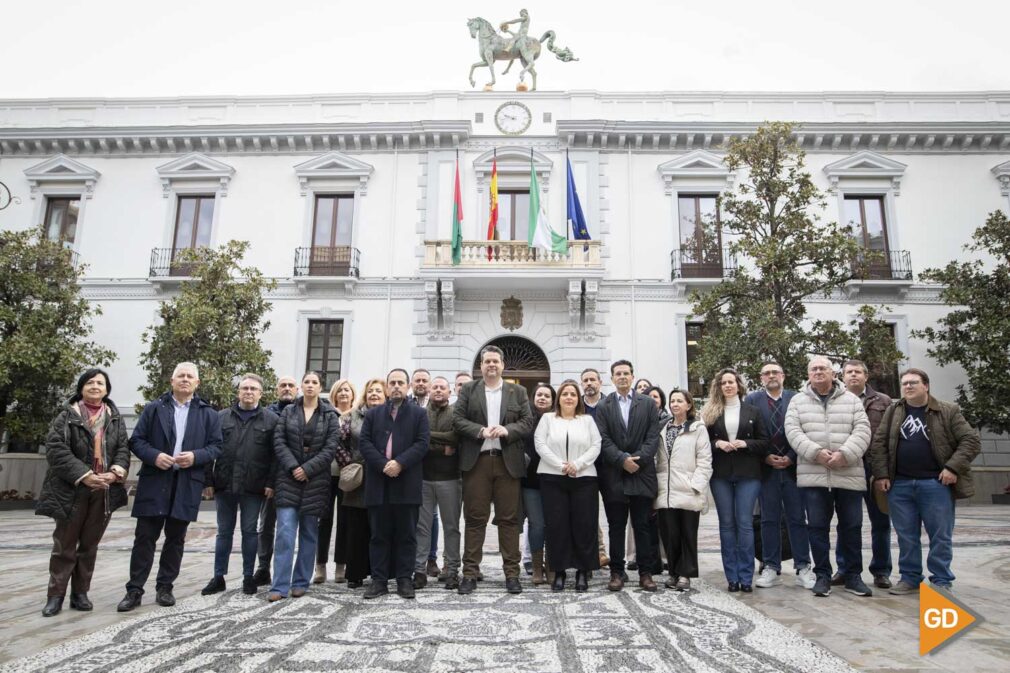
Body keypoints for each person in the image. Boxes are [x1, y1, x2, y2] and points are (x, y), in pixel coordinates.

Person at [117, 362, 222, 612]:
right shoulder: (155, 408)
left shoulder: (208, 413)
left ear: (197, 383)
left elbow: (217, 446)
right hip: (155, 480)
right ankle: (134, 590)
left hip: (186, 483)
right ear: (172, 381)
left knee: (176, 539)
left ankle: (165, 587)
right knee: (144, 538)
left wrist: (196, 456)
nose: (185, 380)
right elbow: (137, 441)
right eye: (180, 376)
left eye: (190, 376)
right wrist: (154, 456)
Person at [870, 368, 981, 594]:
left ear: (926, 386)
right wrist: (881, 474)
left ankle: (941, 580)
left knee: (940, 535)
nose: (908, 387)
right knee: (906, 536)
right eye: (905, 383)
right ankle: (910, 578)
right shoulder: (893, 411)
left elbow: (971, 440)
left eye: (913, 383)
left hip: (935, 485)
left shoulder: (948, 410)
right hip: (899, 485)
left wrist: (952, 467)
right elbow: (879, 444)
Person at [37, 369, 130, 617]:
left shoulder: (115, 418)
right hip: (72, 489)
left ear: (107, 389)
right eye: (90, 382)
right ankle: (55, 595)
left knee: (89, 544)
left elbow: (122, 448)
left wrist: (115, 472)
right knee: (64, 545)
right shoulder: (67, 416)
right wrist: (85, 475)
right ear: (81, 388)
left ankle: (80, 594)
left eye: (100, 383)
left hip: (103, 490)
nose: (95, 386)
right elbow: (56, 450)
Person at [785, 356, 872, 598]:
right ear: (808, 373)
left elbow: (863, 431)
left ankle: (853, 575)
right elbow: (792, 431)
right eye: (813, 368)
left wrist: (845, 454)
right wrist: (815, 453)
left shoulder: (852, 400)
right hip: (813, 476)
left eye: (823, 368)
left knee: (852, 526)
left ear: (833, 373)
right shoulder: (797, 401)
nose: (818, 372)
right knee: (817, 527)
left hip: (848, 473)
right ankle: (822, 575)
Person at [453, 345, 534, 595]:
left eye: (495, 362)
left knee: (509, 520)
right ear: (481, 366)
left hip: (506, 462)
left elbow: (527, 422)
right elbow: (457, 419)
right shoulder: (469, 390)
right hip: (477, 462)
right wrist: (480, 430)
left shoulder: (517, 391)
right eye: (487, 361)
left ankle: (512, 574)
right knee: (475, 519)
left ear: (502, 365)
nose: (491, 365)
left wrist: (507, 430)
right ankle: (469, 573)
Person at [202, 374, 279, 597]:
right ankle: (218, 576)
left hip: (253, 487)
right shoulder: (220, 418)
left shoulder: (271, 420)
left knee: (249, 531)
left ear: (261, 393)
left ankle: (248, 577)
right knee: (223, 532)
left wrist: (270, 483)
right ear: (238, 392)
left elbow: (275, 457)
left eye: (253, 389)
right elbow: (208, 450)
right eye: (244, 388)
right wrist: (207, 481)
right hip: (224, 484)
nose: (248, 392)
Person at [359, 369, 431, 599]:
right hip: (379, 483)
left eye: (401, 382)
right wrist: (383, 464)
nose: (397, 386)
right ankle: (379, 580)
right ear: (387, 387)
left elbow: (422, 444)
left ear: (408, 386)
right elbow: (365, 443)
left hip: (407, 482)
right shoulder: (373, 414)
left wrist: (399, 463)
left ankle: (404, 580)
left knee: (406, 535)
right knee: (378, 535)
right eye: (393, 383)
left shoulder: (419, 414)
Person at [268, 371, 339, 601]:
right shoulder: (288, 411)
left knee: (309, 534)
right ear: (301, 386)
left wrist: (307, 469)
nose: (310, 386)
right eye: (306, 382)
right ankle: (279, 586)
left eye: (314, 383)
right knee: (285, 533)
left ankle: (300, 582)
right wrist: (293, 466)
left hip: (316, 480)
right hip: (288, 479)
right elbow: (278, 441)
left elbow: (331, 448)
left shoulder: (329, 415)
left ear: (321, 387)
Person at [745, 362, 815, 590]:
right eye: (767, 373)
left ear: (783, 376)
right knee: (768, 519)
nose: (771, 376)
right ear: (761, 378)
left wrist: (792, 457)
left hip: (794, 469)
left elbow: (807, 430)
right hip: (766, 469)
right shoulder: (752, 400)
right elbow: (750, 433)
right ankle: (771, 566)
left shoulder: (797, 398)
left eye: (775, 372)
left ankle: (803, 566)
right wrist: (765, 456)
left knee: (797, 519)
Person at [596, 359, 661, 592]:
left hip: (641, 474)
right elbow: (602, 439)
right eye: (618, 374)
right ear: (612, 378)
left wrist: (638, 460)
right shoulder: (604, 406)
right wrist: (622, 460)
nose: (622, 377)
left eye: (626, 373)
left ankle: (645, 573)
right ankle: (616, 572)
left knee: (642, 525)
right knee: (616, 526)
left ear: (633, 377)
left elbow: (653, 437)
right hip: (614, 475)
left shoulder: (647, 404)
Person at [703, 368, 769, 592]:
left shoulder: (753, 411)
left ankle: (746, 577)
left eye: (731, 382)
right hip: (721, 473)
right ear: (719, 387)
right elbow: (703, 443)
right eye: (723, 383)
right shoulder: (712, 412)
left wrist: (745, 444)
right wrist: (717, 444)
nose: (728, 386)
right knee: (727, 525)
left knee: (745, 524)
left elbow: (764, 442)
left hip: (748, 473)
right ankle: (732, 577)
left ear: (739, 386)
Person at [535, 380, 602, 592]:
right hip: (552, 477)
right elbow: (540, 444)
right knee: (557, 526)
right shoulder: (547, 418)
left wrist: (577, 464)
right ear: (559, 398)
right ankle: (559, 572)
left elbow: (596, 445)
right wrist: (561, 465)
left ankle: (583, 571)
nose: (569, 397)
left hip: (584, 478)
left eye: (573, 394)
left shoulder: (587, 420)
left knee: (584, 524)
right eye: (565, 394)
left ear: (578, 398)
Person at [840, 359, 893, 589]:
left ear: (866, 376)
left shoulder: (883, 401)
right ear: (842, 377)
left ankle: (881, 570)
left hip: (875, 470)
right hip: (848, 467)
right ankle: (845, 568)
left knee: (880, 521)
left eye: (857, 372)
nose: (853, 375)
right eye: (849, 372)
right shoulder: (835, 400)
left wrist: (886, 472)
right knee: (847, 522)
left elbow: (891, 436)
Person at [654, 388, 712, 591]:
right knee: (670, 534)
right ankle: (673, 572)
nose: (675, 404)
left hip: (688, 489)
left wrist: (696, 485)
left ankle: (685, 574)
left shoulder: (697, 429)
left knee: (687, 533)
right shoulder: (663, 428)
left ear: (689, 405)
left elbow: (705, 460)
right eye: (672, 401)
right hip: (666, 490)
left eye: (680, 400)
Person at [337, 378, 386, 589]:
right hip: (358, 477)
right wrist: (349, 465)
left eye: (379, 391)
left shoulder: (391, 417)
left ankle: (378, 571)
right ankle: (355, 573)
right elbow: (340, 443)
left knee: (379, 527)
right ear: (365, 395)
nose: (374, 394)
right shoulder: (351, 417)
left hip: (384, 475)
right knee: (356, 527)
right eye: (371, 391)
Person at [414, 376, 461, 590]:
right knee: (422, 527)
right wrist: (441, 447)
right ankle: (419, 570)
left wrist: (429, 438)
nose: (438, 390)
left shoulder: (456, 413)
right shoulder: (420, 414)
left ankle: (451, 570)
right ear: (430, 391)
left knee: (451, 527)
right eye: (435, 387)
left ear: (450, 392)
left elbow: (456, 438)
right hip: (423, 478)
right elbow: (418, 442)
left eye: (443, 387)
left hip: (450, 479)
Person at [254, 375, 298, 586]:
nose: (287, 388)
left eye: (290, 385)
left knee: (289, 527)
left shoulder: (302, 412)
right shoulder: (267, 414)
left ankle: (289, 572)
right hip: (270, 478)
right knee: (266, 524)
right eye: (283, 385)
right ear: (276, 390)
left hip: (295, 476)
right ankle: (263, 567)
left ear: (296, 389)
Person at [315, 379, 356, 584]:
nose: (343, 393)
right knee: (324, 521)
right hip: (325, 474)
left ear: (353, 394)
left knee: (345, 522)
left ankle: (341, 565)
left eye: (347, 390)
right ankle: (320, 565)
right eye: (339, 390)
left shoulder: (357, 416)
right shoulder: (326, 415)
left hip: (348, 475)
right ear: (334, 394)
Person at [523, 383, 555, 585]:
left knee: (553, 524)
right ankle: (536, 567)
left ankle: (551, 565)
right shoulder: (525, 419)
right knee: (536, 525)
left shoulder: (558, 421)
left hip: (553, 479)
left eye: (547, 396)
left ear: (553, 400)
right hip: (530, 481)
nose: (542, 398)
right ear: (533, 398)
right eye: (539, 395)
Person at [580, 367, 609, 568]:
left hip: (608, 466)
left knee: (613, 511)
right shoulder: (576, 406)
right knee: (588, 511)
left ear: (600, 382)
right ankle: (597, 552)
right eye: (585, 380)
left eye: (592, 379)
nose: (589, 383)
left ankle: (609, 555)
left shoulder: (610, 404)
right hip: (584, 466)